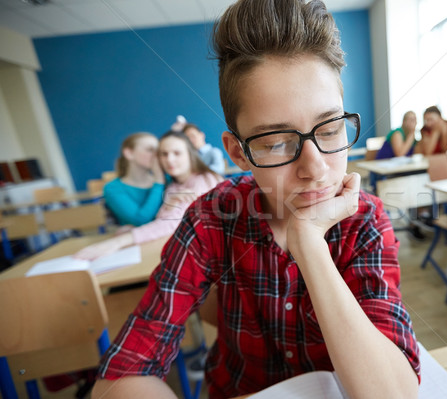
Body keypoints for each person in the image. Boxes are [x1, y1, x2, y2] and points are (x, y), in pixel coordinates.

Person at [91, 1, 421, 398]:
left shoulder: (365, 221)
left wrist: (309, 244)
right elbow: (122, 374)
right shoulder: (211, 218)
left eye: (330, 129)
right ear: (238, 152)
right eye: (276, 142)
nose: (315, 169)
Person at [75, 131, 223, 260]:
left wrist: (119, 241)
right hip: (166, 245)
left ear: (190, 154)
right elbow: (163, 219)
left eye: (176, 153)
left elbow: (170, 222)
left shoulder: (200, 180)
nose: (168, 159)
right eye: (163, 154)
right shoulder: (172, 184)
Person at [103, 132, 165, 227]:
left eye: (158, 150)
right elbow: (140, 220)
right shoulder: (112, 188)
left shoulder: (168, 179)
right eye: (150, 150)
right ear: (129, 153)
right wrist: (159, 182)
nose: (156, 155)